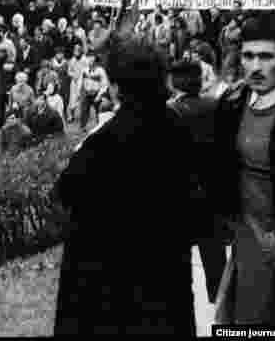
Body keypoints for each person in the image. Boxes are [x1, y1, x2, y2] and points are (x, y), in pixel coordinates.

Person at [54, 37, 199, 335]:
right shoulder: (180, 128)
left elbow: (64, 192)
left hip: (111, 284)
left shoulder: (103, 142)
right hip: (166, 277)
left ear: (118, 86)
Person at [213, 15, 275, 324]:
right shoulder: (231, 103)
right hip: (250, 242)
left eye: (266, 56)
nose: (255, 67)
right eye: (248, 56)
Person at [167, 59, 227, 303]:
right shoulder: (215, 106)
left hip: (179, 196)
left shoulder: (169, 111)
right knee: (215, 258)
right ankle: (222, 309)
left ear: (173, 82)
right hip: (212, 193)